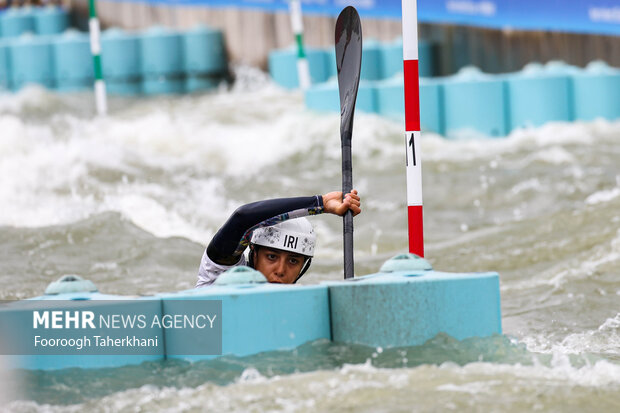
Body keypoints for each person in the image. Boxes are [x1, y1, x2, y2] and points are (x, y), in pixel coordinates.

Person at [196, 190, 361, 287]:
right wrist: (321, 203)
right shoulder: (222, 275)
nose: (281, 270)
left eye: (293, 261)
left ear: (304, 265)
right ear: (253, 253)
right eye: (272, 257)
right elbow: (242, 219)